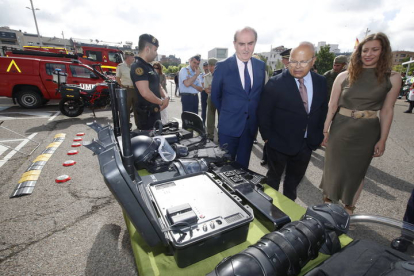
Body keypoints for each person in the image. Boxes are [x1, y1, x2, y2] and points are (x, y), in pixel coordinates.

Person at [319, 32, 401, 214]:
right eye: (365, 50)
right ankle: (327, 208)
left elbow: (387, 110)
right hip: (340, 127)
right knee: (332, 169)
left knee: (357, 172)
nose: (369, 54)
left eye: (375, 50)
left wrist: (383, 139)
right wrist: (325, 131)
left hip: (367, 131)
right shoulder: (343, 76)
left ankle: (348, 210)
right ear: (359, 52)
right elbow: (332, 106)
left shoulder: (393, 78)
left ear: (383, 51)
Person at [258, 42, 328, 201]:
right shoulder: (276, 83)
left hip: (306, 144)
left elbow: (322, 108)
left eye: (303, 61)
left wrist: (319, 133)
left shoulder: (320, 82)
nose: (297, 66)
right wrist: (267, 137)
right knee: (273, 179)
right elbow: (263, 113)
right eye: (293, 61)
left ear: (313, 61)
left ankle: (289, 212)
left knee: (293, 182)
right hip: (278, 143)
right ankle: (268, 211)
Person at [211, 26, 266, 169]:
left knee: (243, 168)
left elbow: (258, 96)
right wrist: (229, 114)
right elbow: (215, 96)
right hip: (228, 127)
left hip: (249, 129)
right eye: (242, 44)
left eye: (250, 43)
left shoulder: (260, 66)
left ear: (255, 43)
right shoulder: (222, 67)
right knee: (225, 168)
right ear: (235, 44)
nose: (246, 48)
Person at [130, 34, 170, 130]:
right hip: (146, 115)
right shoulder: (138, 66)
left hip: (155, 112)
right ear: (147, 49)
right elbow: (145, 93)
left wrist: (166, 96)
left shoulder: (149, 66)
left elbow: (158, 85)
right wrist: (161, 102)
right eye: (155, 50)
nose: (156, 53)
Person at [116, 51, 138, 128]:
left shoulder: (134, 66)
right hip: (126, 89)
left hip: (135, 90)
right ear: (128, 57)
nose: (133, 58)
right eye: (132, 57)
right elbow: (118, 78)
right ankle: (126, 126)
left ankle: (139, 125)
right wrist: (122, 86)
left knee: (137, 108)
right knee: (126, 109)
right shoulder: (120, 66)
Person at [204, 58, 218, 140]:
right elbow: (206, 90)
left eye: (212, 65)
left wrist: (212, 88)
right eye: (209, 65)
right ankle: (210, 135)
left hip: (221, 99)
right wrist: (215, 88)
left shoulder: (221, 75)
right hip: (211, 98)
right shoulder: (206, 76)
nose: (210, 67)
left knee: (222, 118)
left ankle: (221, 136)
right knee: (210, 117)